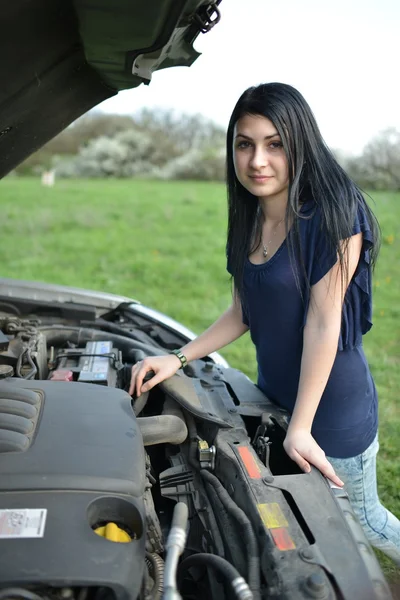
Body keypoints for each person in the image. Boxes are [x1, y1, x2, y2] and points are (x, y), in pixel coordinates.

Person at [130, 82, 400, 564]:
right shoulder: (249, 217)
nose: (258, 160)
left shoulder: (335, 215)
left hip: (330, 413)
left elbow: (323, 323)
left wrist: (301, 428)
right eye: (245, 143)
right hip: (275, 398)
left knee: (363, 523)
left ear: (300, 144)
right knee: (301, 530)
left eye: (274, 144)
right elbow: (242, 312)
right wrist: (177, 357)